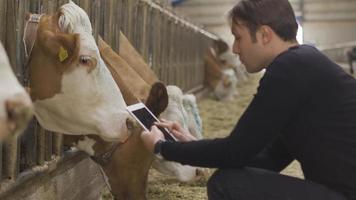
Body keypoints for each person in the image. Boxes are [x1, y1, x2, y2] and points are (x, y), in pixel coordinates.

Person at [141, 0, 356, 199]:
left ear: (264, 35)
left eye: (238, 37)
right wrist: (193, 144)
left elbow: (235, 151)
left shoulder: (289, 69)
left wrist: (161, 147)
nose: (235, 48)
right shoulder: (303, 64)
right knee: (231, 177)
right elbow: (267, 159)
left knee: (228, 184)